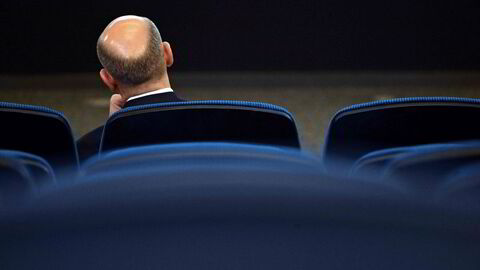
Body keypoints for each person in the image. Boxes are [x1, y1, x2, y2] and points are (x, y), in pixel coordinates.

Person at [77, 15, 183, 162]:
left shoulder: (87, 151)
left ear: (108, 79)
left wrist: (114, 130)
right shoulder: (215, 127)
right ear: (167, 53)